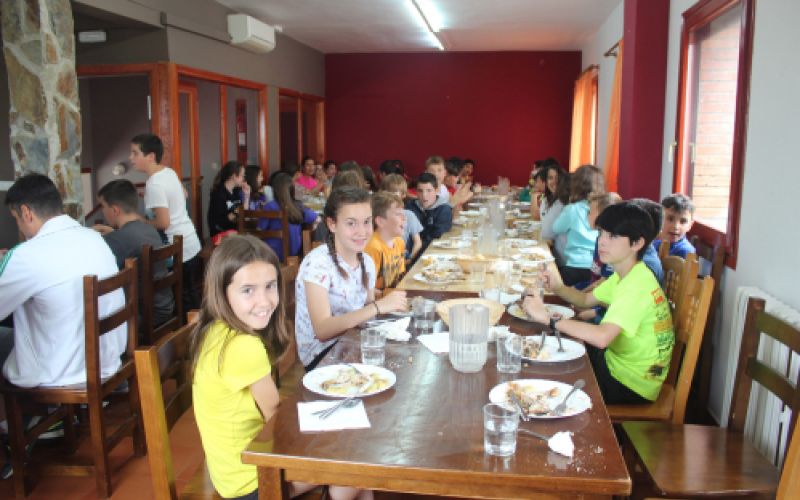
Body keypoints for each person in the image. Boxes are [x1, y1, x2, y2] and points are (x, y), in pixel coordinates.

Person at [191, 235, 371, 500]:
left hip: (229, 472)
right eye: (248, 290)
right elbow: (277, 421)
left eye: (270, 286)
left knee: (348, 442)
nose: (264, 301)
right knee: (357, 462)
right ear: (221, 291)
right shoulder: (243, 346)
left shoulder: (215, 330)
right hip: (252, 481)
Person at [523, 202, 674, 405]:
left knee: (548, 370)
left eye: (613, 236)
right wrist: (557, 286)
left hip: (630, 384)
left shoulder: (636, 286)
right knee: (550, 352)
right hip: (618, 364)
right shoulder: (629, 273)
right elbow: (585, 300)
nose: (602, 241)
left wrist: (547, 318)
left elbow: (602, 337)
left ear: (637, 243)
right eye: (601, 233)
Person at [0, 174, 127, 389]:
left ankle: (37, 410)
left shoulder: (26, 255)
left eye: (16, 218)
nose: (19, 226)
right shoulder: (94, 238)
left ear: (26, 213)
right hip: (106, 360)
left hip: (61, 372)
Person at [295, 187, 407, 370]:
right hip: (322, 356)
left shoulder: (366, 262)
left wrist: (386, 306)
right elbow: (322, 330)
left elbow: (367, 308)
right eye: (351, 223)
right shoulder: (317, 264)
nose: (362, 231)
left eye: (366, 222)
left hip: (354, 341)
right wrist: (377, 306)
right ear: (332, 224)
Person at [131, 133, 202, 309]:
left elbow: (163, 223)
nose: (130, 158)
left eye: (135, 153)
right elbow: (184, 194)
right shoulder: (168, 172)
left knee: (184, 301)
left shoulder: (154, 184)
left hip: (176, 249)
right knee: (191, 295)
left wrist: (140, 220)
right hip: (190, 239)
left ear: (150, 156)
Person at [94, 179, 175, 332]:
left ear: (115, 210)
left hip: (146, 314)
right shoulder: (148, 228)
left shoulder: (118, 239)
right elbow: (129, 241)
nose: (102, 211)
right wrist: (114, 233)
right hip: (165, 306)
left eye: (103, 206)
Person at [551, 164, 605, 286]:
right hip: (597, 266)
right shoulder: (603, 208)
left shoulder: (572, 209)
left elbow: (556, 228)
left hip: (575, 266)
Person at [260, 172, 319, 262]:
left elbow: (261, 229)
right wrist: (314, 226)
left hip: (272, 252)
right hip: (294, 252)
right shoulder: (298, 206)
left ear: (274, 190)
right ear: (292, 189)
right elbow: (317, 218)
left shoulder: (269, 206)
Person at [364, 192, 406, 290]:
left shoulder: (399, 242)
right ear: (380, 221)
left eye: (403, 213)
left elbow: (400, 277)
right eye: (398, 214)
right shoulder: (372, 248)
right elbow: (366, 289)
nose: (404, 218)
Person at [405, 172, 452, 255]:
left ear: (436, 191)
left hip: (432, 252)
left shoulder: (444, 209)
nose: (424, 195)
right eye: (420, 191)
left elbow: (437, 236)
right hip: (409, 252)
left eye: (429, 191)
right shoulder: (410, 207)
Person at [380, 174, 423, 262]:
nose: (390, 197)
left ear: (403, 195)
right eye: (388, 193)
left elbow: (417, 242)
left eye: (394, 193)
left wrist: (410, 259)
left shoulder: (409, 215)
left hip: (403, 258)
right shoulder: (378, 215)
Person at [208, 161, 250, 238]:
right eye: (242, 176)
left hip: (235, 232)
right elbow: (219, 222)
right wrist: (236, 212)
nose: (244, 179)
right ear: (234, 176)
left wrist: (247, 195)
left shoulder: (236, 191)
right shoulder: (219, 194)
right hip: (221, 234)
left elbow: (243, 213)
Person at [540, 171, 570, 265]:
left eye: (557, 178)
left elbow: (547, 234)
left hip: (563, 261)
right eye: (550, 178)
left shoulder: (561, 203)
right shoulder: (549, 200)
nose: (554, 182)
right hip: (565, 257)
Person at [652, 193, 696, 258]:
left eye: (683, 221)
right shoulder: (656, 242)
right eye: (670, 219)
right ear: (660, 219)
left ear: (690, 225)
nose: (675, 226)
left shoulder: (685, 251)